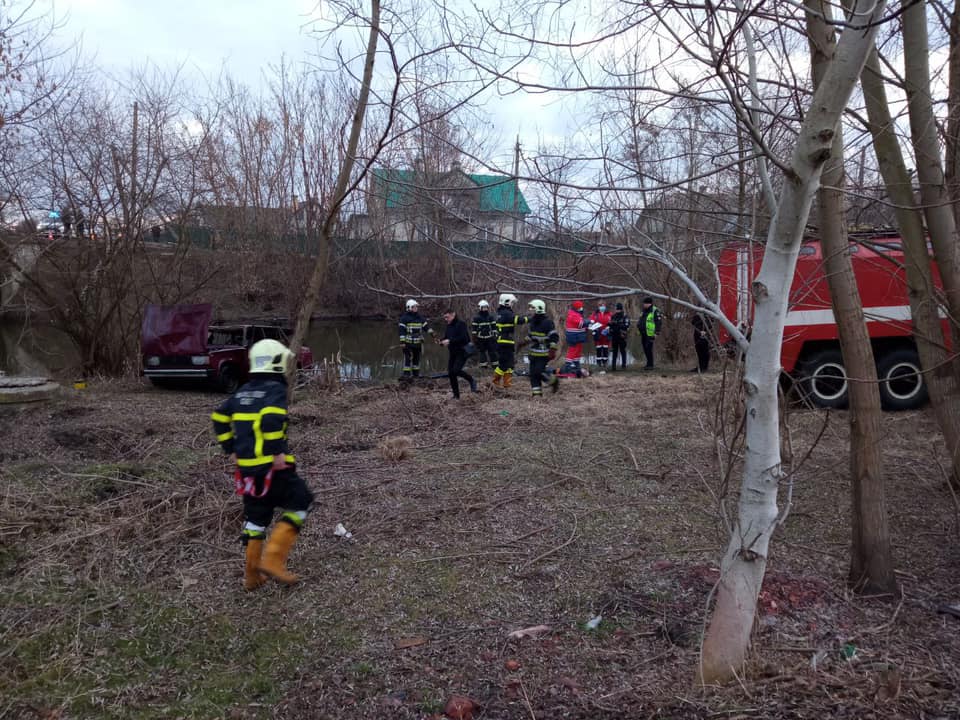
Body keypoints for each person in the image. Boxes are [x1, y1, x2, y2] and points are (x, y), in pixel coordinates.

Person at [211, 339, 314, 590]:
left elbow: (219, 418)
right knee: (302, 502)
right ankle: (273, 561)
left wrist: (230, 450)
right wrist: (276, 453)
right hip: (273, 468)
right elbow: (270, 421)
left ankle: (251, 577)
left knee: (256, 518)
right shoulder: (275, 390)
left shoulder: (242, 391)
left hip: (248, 471)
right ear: (276, 363)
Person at [439, 309, 478, 398]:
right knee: (451, 373)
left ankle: (471, 380)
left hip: (462, 351)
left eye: (447, 317)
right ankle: (456, 395)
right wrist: (441, 341)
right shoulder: (448, 326)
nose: (446, 319)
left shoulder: (461, 324)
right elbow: (447, 337)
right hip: (453, 352)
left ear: (453, 314)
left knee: (456, 370)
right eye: (444, 317)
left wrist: (449, 341)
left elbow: (464, 338)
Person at [526, 299, 560, 396]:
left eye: (532, 308)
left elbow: (554, 337)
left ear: (539, 309)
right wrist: (523, 342)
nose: (530, 310)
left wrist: (552, 350)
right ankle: (537, 394)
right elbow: (531, 336)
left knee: (539, 372)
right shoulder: (532, 322)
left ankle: (553, 381)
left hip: (544, 353)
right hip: (533, 353)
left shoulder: (547, 323)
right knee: (533, 374)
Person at [493, 293, 527, 388]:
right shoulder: (506, 313)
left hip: (506, 342)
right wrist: (530, 319)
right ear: (507, 302)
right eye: (512, 302)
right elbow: (517, 320)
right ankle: (495, 382)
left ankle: (507, 384)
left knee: (510, 364)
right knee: (504, 364)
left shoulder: (501, 312)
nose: (513, 304)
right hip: (504, 342)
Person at [398, 299, 433, 379]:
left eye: (416, 307)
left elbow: (426, 328)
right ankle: (406, 375)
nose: (416, 308)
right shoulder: (404, 318)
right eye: (414, 307)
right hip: (408, 343)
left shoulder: (420, 318)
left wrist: (433, 334)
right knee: (407, 358)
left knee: (416, 359)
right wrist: (402, 342)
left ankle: (416, 374)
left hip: (418, 343)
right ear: (409, 307)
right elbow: (401, 331)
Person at [563, 300, 588, 377]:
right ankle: (568, 366)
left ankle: (576, 365)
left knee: (578, 351)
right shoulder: (573, 315)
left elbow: (581, 324)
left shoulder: (576, 314)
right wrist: (588, 322)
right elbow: (580, 324)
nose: (582, 308)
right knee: (572, 350)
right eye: (581, 307)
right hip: (574, 336)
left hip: (577, 335)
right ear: (578, 307)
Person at [471, 299, 498, 368]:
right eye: (483, 307)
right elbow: (474, 329)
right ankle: (483, 366)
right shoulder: (476, 318)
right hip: (480, 339)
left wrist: (495, 336)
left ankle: (495, 365)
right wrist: (474, 338)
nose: (485, 309)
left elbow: (494, 327)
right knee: (482, 352)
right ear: (480, 308)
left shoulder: (490, 317)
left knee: (492, 352)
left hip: (490, 338)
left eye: (486, 307)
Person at [639, 296, 663, 370]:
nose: (644, 305)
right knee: (645, 349)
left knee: (649, 349)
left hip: (650, 333)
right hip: (643, 333)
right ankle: (648, 364)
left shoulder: (655, 310)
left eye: (645, 303)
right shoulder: (644, 310)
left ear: (649, 304)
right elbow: (641, 319)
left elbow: (658, 322)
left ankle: (651, 365)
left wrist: (657, 333)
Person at [589, 300, 612, 373]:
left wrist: (609, 327)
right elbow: (591, 322)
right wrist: (592, 325)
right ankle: (599, 363)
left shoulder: (609, 314)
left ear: (605, 306)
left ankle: (605, 362)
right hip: (598, 333)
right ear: (598, 306)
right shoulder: (595, 314)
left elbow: (612, 322)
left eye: (603, 305)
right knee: (598, 348)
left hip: (606, 333)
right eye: (600, 305)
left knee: (605, 348)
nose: (602, 307)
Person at [609, 302, 631, 371]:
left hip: (622, 336)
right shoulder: (613, 316)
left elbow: (627, 326)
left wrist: (618, 324)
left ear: (621, 309)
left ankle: (624, 365)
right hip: (614, 336)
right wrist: (610, 325)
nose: (616, 310)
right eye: (616, 309)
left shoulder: (625, 316)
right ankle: (613, 366)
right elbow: (611, 325)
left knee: (623, 351)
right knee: (614, 352)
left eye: (618, 309)